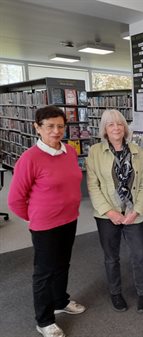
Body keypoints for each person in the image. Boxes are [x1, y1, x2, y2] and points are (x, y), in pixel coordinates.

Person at [8, 105, 86, 337]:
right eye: (50, 126)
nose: (56, 131)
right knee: (44, 272)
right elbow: (15, 200)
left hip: (69, 219)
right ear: (37, 127)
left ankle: (60, 301)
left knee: (63, 264)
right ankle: (44, 320)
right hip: (45, 226)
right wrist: (36, 217)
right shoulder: (29, 158)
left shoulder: (69, 151)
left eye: (60, 126)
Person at [86, 109, 143, 314]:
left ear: (125, 127)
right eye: (111, 125)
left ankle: (142, 292)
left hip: (133, 213)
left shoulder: (137, 152)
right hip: (107, 215)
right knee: (111, 257)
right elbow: (93, 186)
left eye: (119, 124)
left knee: (139, 255)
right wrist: (110, 212)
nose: (116, 128)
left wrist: (137, 210)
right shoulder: (95, 151)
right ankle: (115, 293)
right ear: (105, 129)